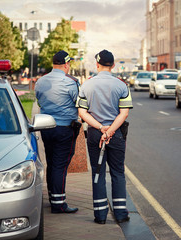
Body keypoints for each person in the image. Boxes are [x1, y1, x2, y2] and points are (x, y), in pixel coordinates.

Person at [77, 49, 133, 224]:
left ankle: (100, 216)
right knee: (117, 172)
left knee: (98, 172)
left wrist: (101, 128)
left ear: (97, 65)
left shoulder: (86, 85)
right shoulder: (121, 86)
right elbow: (124, 114)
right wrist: (110, 131)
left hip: (95, 133)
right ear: (113, 65)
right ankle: (121, 213)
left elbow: (82, 113)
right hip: (116, 134)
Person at [35, 50, 79, 214]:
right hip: (64, 129)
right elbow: (78, 103)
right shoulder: (71, 82)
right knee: (60, 165)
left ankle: (53, 197)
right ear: (67, 64)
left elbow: (39, 100)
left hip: (46, 128)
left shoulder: (41, 81)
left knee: (52, 163)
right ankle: (59, 204)